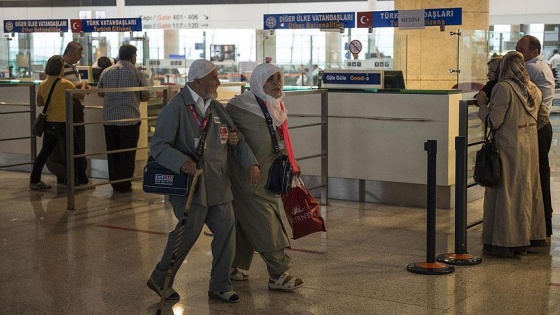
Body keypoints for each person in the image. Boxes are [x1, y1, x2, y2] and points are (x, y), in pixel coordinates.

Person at [147, 59, 259, 303]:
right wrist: (181, 162)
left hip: (218, 184)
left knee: (227, 232)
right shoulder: (176, 108)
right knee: (187, 233)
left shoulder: (215, 108)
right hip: (191, 186)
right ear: (197, 81)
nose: (218, 82)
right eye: (214, 77)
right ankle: (160, 277)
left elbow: (234, 137)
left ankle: (220, 285)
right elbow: (158, 145)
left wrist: (251, 162)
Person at [226, 62, 305, 290]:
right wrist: (249, 160)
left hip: (269, 174)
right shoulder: (240, 107)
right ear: (259, 82)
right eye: (270, 79)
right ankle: (278, 273)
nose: (277, 83)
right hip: (247, 175)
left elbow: (280, 139)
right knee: (264, 219)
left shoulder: (275, 107)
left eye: (279, 77)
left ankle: (234, 265)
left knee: (245, 219)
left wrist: (291, 160)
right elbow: (233, 137)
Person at [477, 51, 547, 257]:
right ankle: (530, 236)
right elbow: (542, 118)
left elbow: (493, 121)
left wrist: (482, 104)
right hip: (530, 147)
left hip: (508, 148)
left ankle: (506, 242)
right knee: (528, 191)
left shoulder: (503, 88)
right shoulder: (533, 89)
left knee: (506, 194)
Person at [516, 35, 556, 238]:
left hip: (538, 128)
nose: (516, 54)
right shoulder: (541, 65)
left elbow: (504, 82)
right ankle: (541, 226)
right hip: (542, 126)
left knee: (537, 176)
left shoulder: (531, 68)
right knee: (539, 175)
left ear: (534, 52)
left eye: (521, 50)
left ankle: (538, 227)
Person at [29, 55, 89, 190]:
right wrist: (84, 84)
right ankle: (80, 180)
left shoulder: (43, 84)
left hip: (49, 123)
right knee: (75, 152)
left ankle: (34, 180)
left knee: (44, 152)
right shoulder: (65, 83)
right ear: (60, 68)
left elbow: (39, 102)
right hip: (64, 122)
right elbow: (81, 95)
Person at [97, 44, 150, 194]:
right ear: (133, 56)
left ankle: (115, 184)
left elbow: (100, 92)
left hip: (109, 119)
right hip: (129, 120)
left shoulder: (107, 71)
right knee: (127, 154)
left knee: (113, 153)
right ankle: (124, 185)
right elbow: (145, 96)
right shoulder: (137, 73)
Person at [45, 41, 90, 186]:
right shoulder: (63, 69)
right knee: (74, 145)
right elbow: (75, 93)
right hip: (69, 113)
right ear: (70, 53)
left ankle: (67, 176)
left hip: (59, 116)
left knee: (60, 147)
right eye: (78, 54)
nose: (80, 56)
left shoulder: (71, 68)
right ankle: (75, 177)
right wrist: (82, 85)